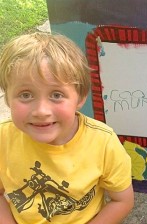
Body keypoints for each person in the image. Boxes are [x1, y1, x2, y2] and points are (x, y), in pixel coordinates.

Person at [0, 32, 134, 224]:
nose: (41, 111)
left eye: (56, 95)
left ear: (80, 97)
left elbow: (122, 200)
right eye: (26, 95)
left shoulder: (103, 142)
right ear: (7, 98)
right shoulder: (3, 137)